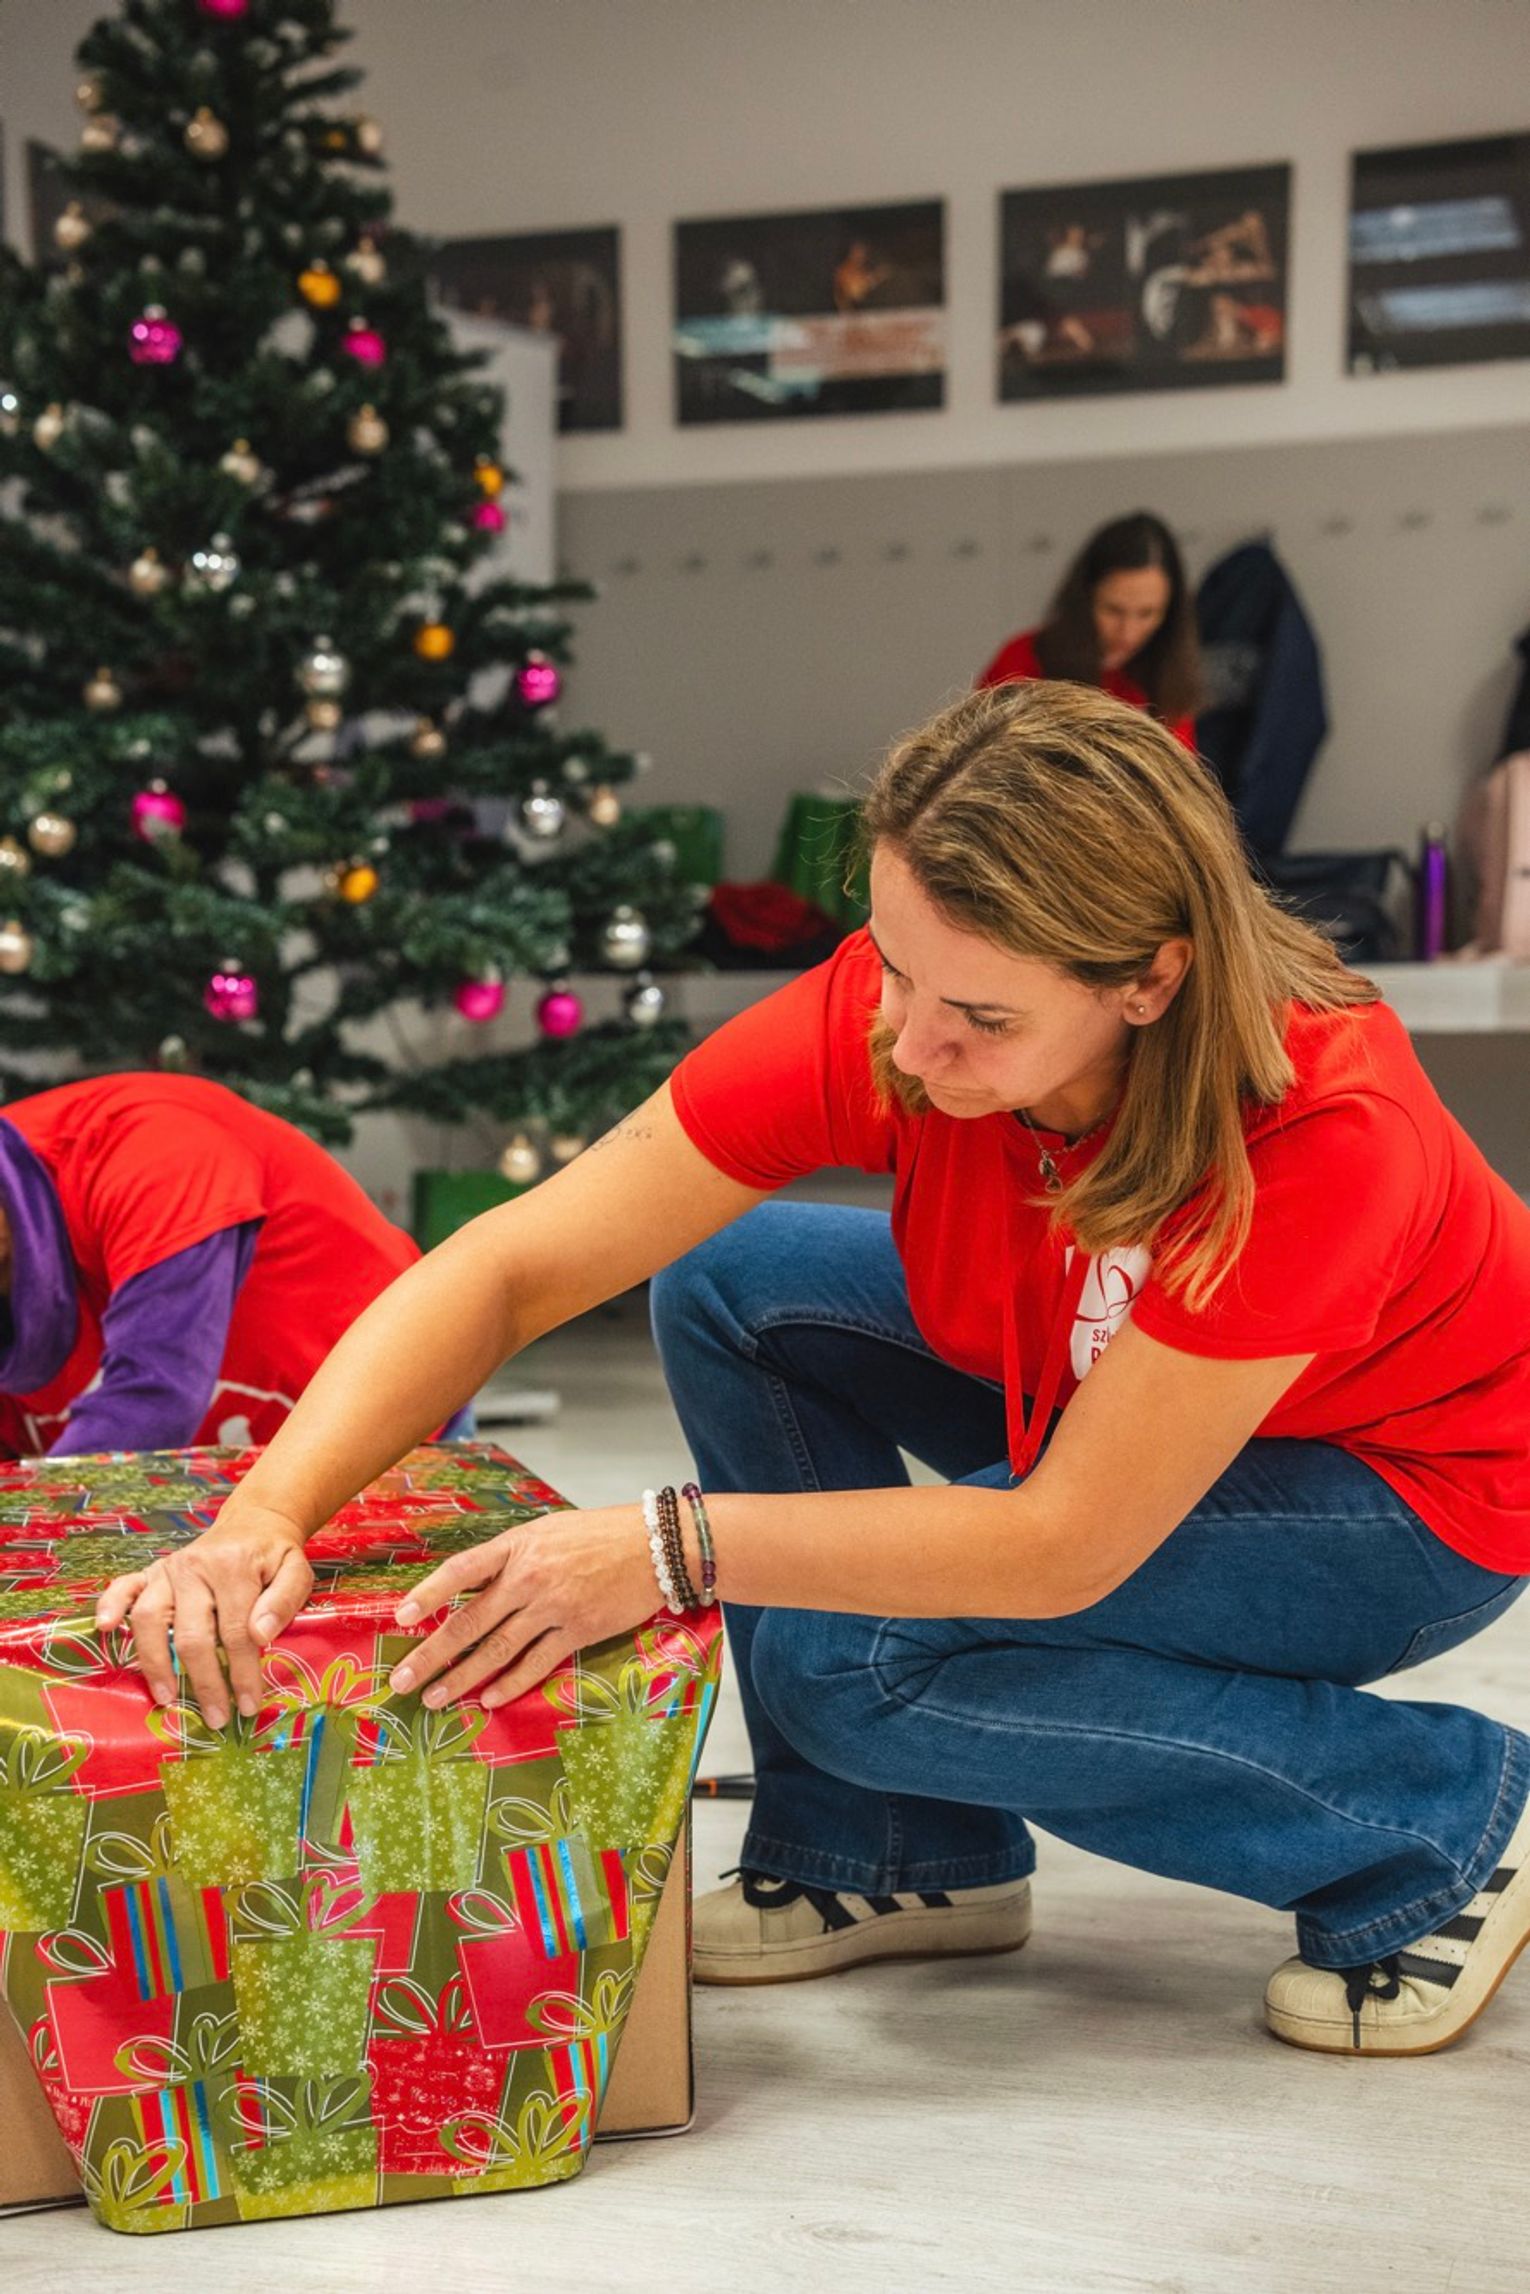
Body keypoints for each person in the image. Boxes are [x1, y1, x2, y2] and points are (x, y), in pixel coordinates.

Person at [98, 682, 1530, 2060]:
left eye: (982, 1018)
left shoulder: (1322, 1132)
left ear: (1151, 978)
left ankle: (1443, 1820)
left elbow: (1064, 1543)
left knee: (854, 1665)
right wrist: (260, 1515)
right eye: (895, 966)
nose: (908, 1041)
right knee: (733, 1277)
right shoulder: (914, 1011)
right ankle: (893, 1847)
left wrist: (667, 1547)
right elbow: (515, 1263)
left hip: (1411, 1493)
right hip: (1102, 1386)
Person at [0, 1070, 450, 1457]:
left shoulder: (155, 1149)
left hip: (395, 1444)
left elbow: (155, 1400)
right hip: (201, 1489)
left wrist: (30, 1515)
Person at [978, 510, 1202, 750]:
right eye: (1113, 610)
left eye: (1147, 613)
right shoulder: (1022, 661)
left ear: (1170, 612)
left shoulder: (1169, 675)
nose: (1128, 632)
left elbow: (1179, 763)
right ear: (1085, 599)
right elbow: (979, 754)